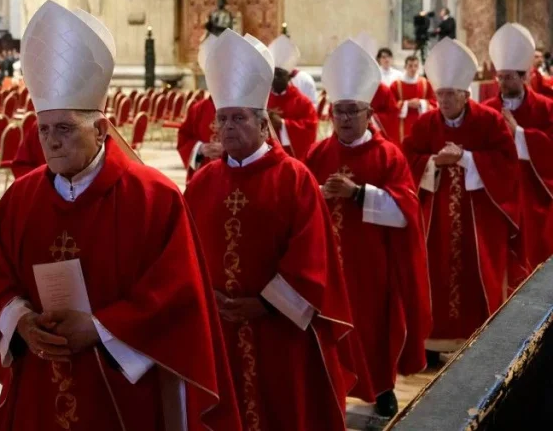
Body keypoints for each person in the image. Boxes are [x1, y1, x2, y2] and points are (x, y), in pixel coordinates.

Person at [0, 0, 241, 431]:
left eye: (64, 129)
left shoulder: (154, 198)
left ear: (101, 129)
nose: (51, 143)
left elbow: (175, 298)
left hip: (119, 392)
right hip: (41, 384)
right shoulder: (19, 200)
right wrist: (21, 322)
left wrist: (100, 329)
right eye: (44, 129)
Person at [185, 29, 355, 431]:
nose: (227, 128)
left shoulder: (294, 178)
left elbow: (311, 257)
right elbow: (184, 252)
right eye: (222, 119)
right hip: (220, 330)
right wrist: (207, 296)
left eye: (238, 118)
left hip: (279, 331)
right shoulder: (202, 183)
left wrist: (263, 304)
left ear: (263, 125)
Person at [306, 40, 431, 418]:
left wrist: (359, 194)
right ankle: (331, 389)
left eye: (352, 111)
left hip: (372, 262)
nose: (344, 119)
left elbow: (406, 209)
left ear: (368, 112)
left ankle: (381, 388)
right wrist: (318, 195)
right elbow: (298, 206)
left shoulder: (387, 155)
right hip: (328, 263)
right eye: (338, 111)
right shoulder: (317, 154)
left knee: (374, 328)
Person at [402, 38, 518, 361]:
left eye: (451, 94)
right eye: (439, 94)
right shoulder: (425, 123)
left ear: (466, 95)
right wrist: (433, 163)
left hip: (477, 218)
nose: (444, 100)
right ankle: (431, 343)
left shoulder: (489, 121)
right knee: (432, 272)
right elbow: (407, 156)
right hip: (434, 217)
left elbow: (506, 161)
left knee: (476, 273)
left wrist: (466, 159)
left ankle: (477, 340)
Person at [481, 23, 553, 286]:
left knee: (534, 262)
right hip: (498, 198)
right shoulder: (487, 110)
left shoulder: (547, 108)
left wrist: (520, 134)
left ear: (525, 77)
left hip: (535, 199)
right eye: (500, 77)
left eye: (510, 77)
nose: (503, 82)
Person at [266, 34, 319, 160]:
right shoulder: (262, 98)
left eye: (280, 74)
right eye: (273, 74)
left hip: (292, 157)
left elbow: (311, 127)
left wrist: (283, 124)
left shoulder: (302, 103)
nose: (276, 78)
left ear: (289, 77)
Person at [177, 34, 220, 180]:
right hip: (203, 176)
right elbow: (184, 138)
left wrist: (231, 150)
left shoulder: (245, 110)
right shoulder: (198, 109)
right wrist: (200, 148)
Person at [392, 54, 435, 142]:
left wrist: (421, 103)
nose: (413, 69)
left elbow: (434, 102)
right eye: (410, 66)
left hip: (421, 119)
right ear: (405, 67)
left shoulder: (426, 83)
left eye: (415, 66)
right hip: (403, 122)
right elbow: (391, 104)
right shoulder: (396, 84)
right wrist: (407, 104)